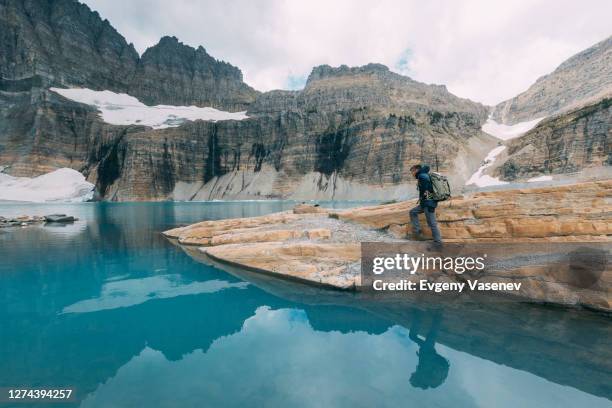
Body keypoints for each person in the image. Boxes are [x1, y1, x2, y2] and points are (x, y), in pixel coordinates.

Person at [409, 164, 442, 243]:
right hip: (425, 203)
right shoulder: (423, 175)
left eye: (412, 172)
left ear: (416, 170)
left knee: (432, 223)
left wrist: (426, 196)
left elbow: (428, 188)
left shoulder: (422, 176)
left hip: (428, 203)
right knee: (412, 212)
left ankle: (438, 241)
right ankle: (418, 232)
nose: (412, 174)